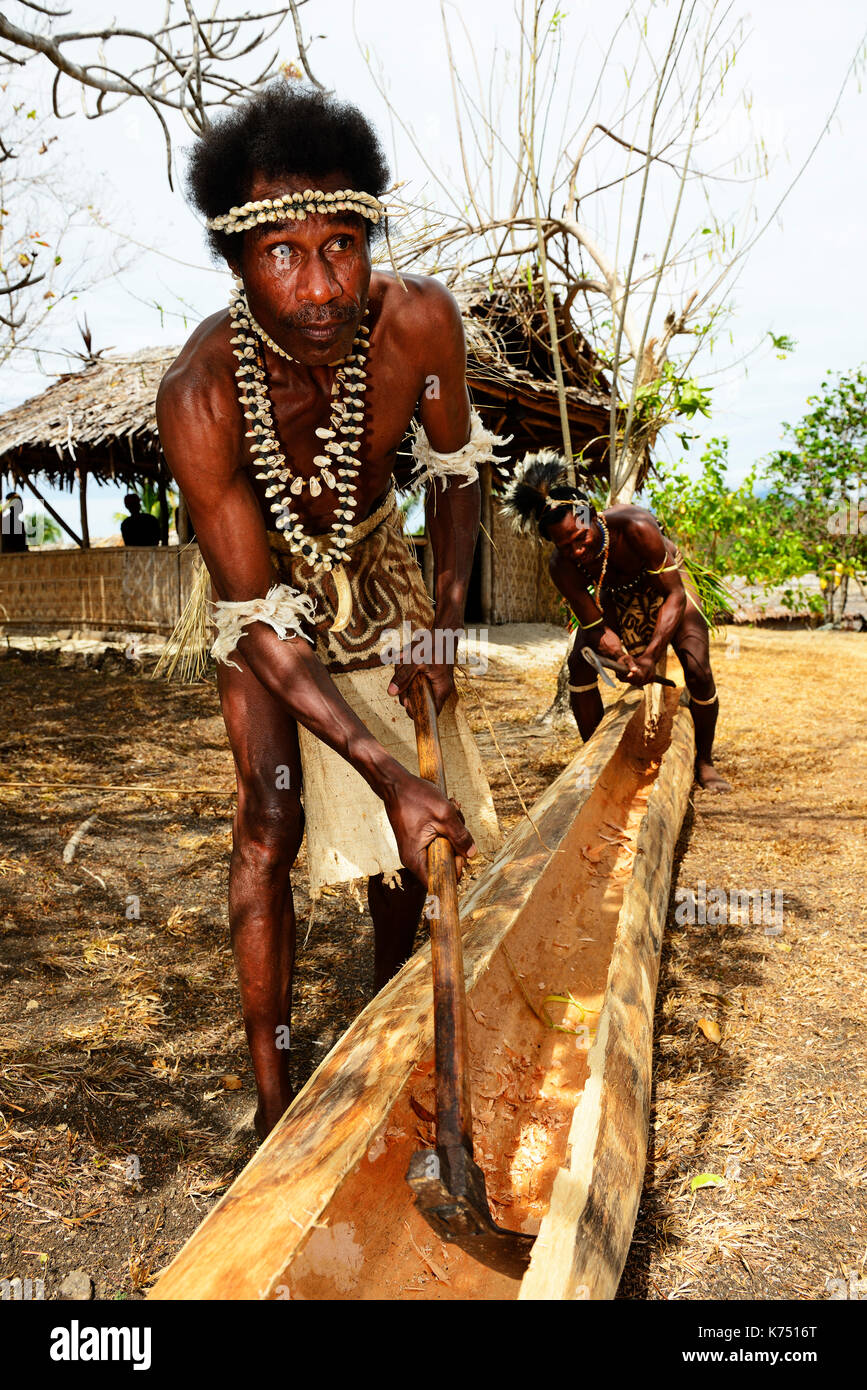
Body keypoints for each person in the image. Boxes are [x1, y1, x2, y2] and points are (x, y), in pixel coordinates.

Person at [155, 83, 501, 1139]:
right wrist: (382, 771)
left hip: (375, 555)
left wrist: (439, 620)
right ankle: (273, 1093)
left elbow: (454, 472)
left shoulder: (420, 324)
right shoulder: (202, 394)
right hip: (260, 600)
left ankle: (392, 1011)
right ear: (235, 263)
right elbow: (258, 621)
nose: (320, 286)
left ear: (370, 237)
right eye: (284, 255)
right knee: (274, 812)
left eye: (343, 245)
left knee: (417, 832)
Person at [501, 454, 730, 793]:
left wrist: (650, 656)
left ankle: (705, 762)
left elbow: (675, 597)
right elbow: (594, 626)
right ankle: (596, 761)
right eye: (566, 547)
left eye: (581, 538)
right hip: (615, 593)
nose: (578, 551)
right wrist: (622, 660)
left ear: (592, 517)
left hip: (665, 587)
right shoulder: (561, 567)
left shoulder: (635, 526)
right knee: (579, 664)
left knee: (697, 668)